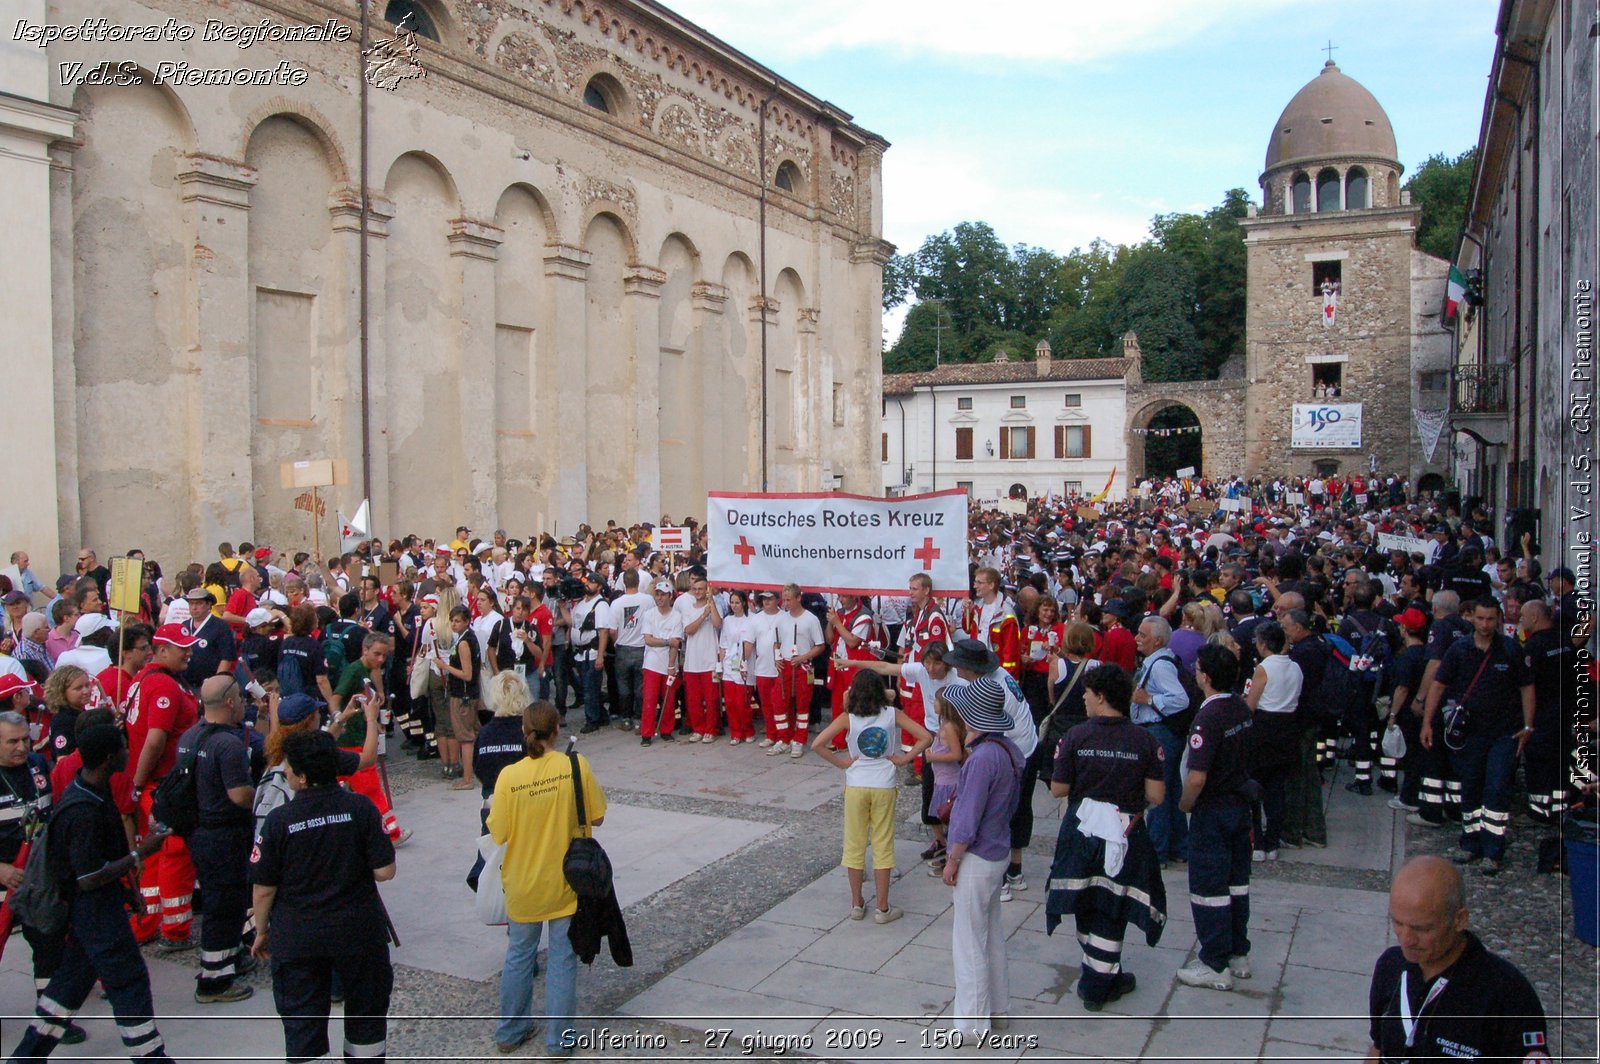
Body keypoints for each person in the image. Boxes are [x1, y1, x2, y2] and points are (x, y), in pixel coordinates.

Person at [6, 723, 175, 1063]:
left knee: (67, 987)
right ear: (111, 757)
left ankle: (25, 1057)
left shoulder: (94, 794)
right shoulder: (82, 810)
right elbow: (87, 877)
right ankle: (151, 1057)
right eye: (125, 749)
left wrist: (130, 894)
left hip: (100, 909)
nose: (130, 754)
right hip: (95, 913)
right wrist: (140, 854)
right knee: (129, 982)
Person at [251, 730, 397, 1064]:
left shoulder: (279, 821)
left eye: (288, 768)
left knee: (304, 1029)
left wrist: (261, 931)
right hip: (359, 932)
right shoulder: (359, 808)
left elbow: (263, 889)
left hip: (299, 938)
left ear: (301, 778)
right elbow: (385, 871)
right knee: (367, 1022)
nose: (284, 772)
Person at [1043, 664, 1166, 1011]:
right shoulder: (1145, 740)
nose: (1082, 697)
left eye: (1086, 692)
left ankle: (1097, 983)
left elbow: (1058, 789)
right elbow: (1157, 795)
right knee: (1112, 903)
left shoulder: (1075, 737)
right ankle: (1104, 972)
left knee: (1087, 898)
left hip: (1082, 832)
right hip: (1124, 832)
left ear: (1100, 697)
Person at [488, 703, 607, 1057]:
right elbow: (597, 817)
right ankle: (559, 1040)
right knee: (562, 958)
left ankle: (510, 1030)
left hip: (523, 881)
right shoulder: (574, 766)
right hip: (566, 879)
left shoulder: (509, 776)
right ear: (557, 730)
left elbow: (498, 833)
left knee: (519, 956)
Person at [1366, 855, 1549, 1062]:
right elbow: (1378, 1048)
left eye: (1422, 928)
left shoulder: (1508, 995)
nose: (1406, 940)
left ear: (1460, 919)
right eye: (1398, 922)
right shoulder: (1390, 966)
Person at [1420, 597, 1534, 877]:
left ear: (1498, 620)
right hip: (1471, 734)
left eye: (1490, 619)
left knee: (1496, 787)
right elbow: (1438, 685)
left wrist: (1528, 726)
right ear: (1472, 619)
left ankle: (1493, 849)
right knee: (1469, 786)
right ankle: (1470, 841)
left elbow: (1527, 687)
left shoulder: (1509, 650)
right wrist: (1427, 722)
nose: (1485, 625)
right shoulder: (1459, 650)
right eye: (1480, 619)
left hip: (1504, 732)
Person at [810, 671, 932, 924]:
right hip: (883, 783)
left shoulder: (848, 717)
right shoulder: (891, 714)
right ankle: (883, 908)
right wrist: (905, 759)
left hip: (856, 783)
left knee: (854, 844)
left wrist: (842, 763)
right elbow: (925, 737)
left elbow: (818, 744)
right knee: (883, 842)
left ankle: (856, 903)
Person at [940, 676, 1023, 1040]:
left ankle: (972, 1024)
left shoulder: (981, 758)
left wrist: (953, 858)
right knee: (991, 936)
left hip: (977, 856)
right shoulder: (1006, 749)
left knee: (969, 941)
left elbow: (967, 818)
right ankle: (998, 1009)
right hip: (998, 851)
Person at [0, 709, 84, 1046]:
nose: (22, 748)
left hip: (39, 879)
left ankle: (49, 1018)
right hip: (4, 877)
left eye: (24, 740)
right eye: (11, 742)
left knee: (49, 947)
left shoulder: (37, 765)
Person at [1176, 645, 1255, 992]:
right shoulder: (1239, 706)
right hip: (1240, 805)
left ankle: (1214, 962)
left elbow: (1196, 776)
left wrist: (1185, 804)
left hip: (1213, 809)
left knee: (1209, 887)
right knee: (1236, 883)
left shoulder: (1208, 717)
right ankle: (1238, 951)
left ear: (1205, 677)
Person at [177, 675, 257, 1003]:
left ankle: (230, 955)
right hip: (224, 833)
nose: (242, 703)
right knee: (223, 905)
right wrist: (263, 797)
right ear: (228, 702)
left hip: (199, 831)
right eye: (239, 698)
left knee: (224, 900)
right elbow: (239, 794)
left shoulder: (189, 737)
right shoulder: (228, 744)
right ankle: (214, 980)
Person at [126, 623, 202, 948]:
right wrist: (140, 784)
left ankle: (145, 925)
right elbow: (155, 740)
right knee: (176, 853)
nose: (188, 652)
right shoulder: (164, 686)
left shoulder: (151, 679)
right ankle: (174, 930)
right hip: (164, 788)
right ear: (161, 651)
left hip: (157, 785)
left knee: (155, 856)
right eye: (181, 647)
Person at [329, 631, 408, 842]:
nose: (381, 659)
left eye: (385, 655)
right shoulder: (354, 671)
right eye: (377, 654)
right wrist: (339, 717)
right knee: (371, 788)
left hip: (358, 736)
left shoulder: (365, 670)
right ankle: (391, 832)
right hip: (352, 740)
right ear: (365, 650)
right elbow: (336, 696)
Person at [1130, 616, 1191, 866]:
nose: (1137, 639)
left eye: (1143, 635)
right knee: (1171, 786)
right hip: (1161, 731)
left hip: (1160, 731)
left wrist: (1151, 701)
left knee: (1157, 791)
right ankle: (1179, 845)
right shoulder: (1155, 661)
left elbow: (1180, 699)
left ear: (1157, 640)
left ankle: (1157, 850)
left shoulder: (1161, 665)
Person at [1243, 621, 1303, 861]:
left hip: (1263, 728)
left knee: (1256, 787)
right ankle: (1273, 841)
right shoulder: (1296, 667)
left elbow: (1251, 704)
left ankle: (1257, 841)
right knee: (1277, 790)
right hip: (1287, 728)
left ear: (1264, 644)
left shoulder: (1264, 668)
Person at [772, 584, 824, 757]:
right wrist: (777, 657)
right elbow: (776, 642)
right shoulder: (781, 619)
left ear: (798, 598)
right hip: (785, 665)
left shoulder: (811, 619)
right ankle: (784, 738)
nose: (786, 603)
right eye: (784, 599)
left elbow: (820, 646)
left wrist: (803, 657)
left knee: (802, 704)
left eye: (789, 600)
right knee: (779, 702)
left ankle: (799, 740)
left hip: (803, 666)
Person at [638, 581, 684, 746]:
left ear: (670, 596)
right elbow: (649, 640)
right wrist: (666, 641)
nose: (660, 598)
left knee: (669, 699)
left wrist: (671, 666)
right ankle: (646, 733)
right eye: (657, 594)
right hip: (651, 662)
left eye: (663, 594)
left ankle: (666, 730)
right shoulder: (649, 614)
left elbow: (676, 643)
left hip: (668, 664)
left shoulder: (676, 616)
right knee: (649, 699)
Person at [676, 576, 722, 742]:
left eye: (701, 589)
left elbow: (718, 624)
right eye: (695, 589)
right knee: (693, 699)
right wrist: (703, 616)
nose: (697, 592)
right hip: (692, 661)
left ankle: (711, 729)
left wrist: (712, 607)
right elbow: (688, 630)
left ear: (706, 590)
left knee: (711, 699)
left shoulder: (713, 605)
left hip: (709, 659)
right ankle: (698, 728)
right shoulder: (688, 608)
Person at [717, 590, 755, 744]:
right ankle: (736, 732)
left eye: (737, 602)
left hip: (744, 663)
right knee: (731, 702)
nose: (734, 605)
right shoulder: (727, 620)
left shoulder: (751, 619)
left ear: (744, 603)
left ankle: (748, 729)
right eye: (732, 602)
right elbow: (723, 644)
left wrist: (744, 661)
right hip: (729, 664)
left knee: (742, 702)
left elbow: (749, 643)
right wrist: (719, 665)